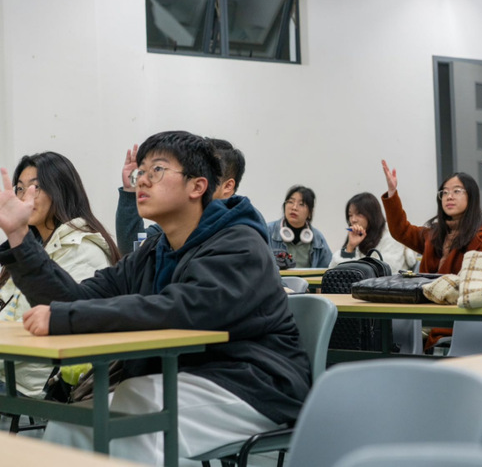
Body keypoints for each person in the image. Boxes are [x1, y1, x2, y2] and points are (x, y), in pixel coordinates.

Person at [0, 131, 310, 464]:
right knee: (69, 428)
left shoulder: (240, 245)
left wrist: (69, 317)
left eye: (157, 170)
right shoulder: (153, 251)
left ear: (197, 186)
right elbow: (72, 298)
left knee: (115, 434)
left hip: (251, 384)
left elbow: (180, 310)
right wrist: (19, 235)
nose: (142, 181)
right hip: (173, 380)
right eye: (141, 172)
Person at [0, 152, 120, 397]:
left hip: (31, 384)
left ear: (60, 190)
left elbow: (63, 324)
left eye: (36, 187)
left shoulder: (83, 250)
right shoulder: (30, 246)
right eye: (20, 188)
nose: (25, 197)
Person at [116, 138, 253, 255]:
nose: (195, 183)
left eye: (206, 176)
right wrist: (130, 190)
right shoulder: (177, 224)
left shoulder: (240, 238)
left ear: (227, 186)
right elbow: (133, 249)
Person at [380, 161, 482, 274]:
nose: (449, 196)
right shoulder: (433, 234)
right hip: (424, 286)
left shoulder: (480, 237)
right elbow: (401, 231)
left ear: (471, 196)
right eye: (445, 192)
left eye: (456, 191)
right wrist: (392, 192)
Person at [329, 192, 416, 272]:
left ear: (372, 214)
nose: (353, 220)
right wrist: (350, 247)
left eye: (359, 214)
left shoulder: (390, 235)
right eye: (350, 215)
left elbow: (387, 269)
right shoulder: (356, 235)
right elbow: (335, 272)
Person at [266, 185, 332, 269]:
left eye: (301, 204)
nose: (294, 208)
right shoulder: (268, 231)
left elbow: (327, 269)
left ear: (310, 212)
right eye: (290, 202)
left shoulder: (318, 239)